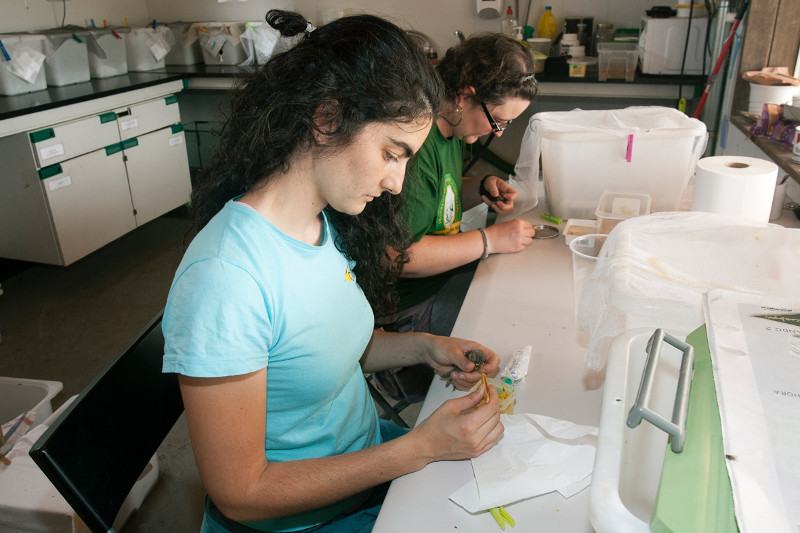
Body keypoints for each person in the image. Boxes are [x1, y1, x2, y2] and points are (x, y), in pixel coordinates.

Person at [161, 10, 504, 533]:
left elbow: (321, 351)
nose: (396, 183)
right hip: (305, 516)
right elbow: (241, 494)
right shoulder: (226, 279)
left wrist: (425, 346)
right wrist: (416, 450)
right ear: (327, 119)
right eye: (392, 153)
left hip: (364, 469)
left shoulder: (321, 224)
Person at [372, 33, 540, 402]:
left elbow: (436, 196)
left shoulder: (451, 133)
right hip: (404, 314)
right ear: (465, 96)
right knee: (503, 339)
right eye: (497, 120)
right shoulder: (420, 145)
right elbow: (399, 256)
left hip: (436, 285)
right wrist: (489, 241)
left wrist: (477, 187)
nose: (497, 132)